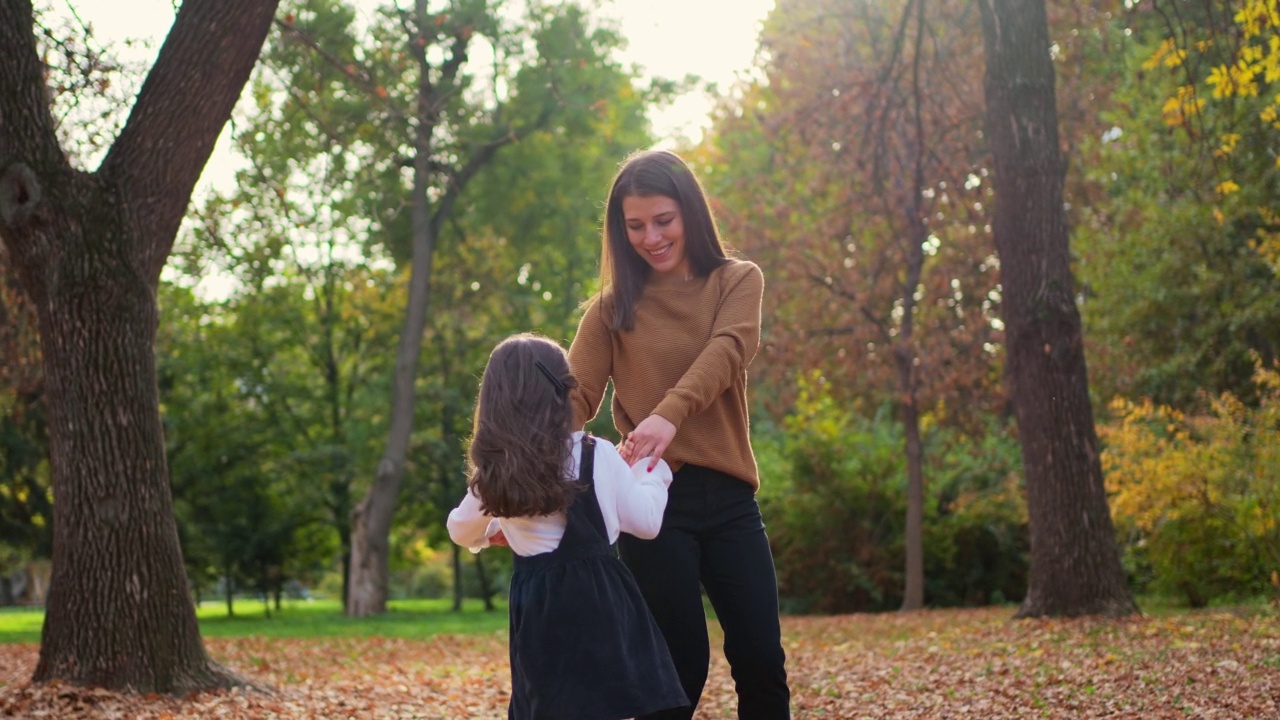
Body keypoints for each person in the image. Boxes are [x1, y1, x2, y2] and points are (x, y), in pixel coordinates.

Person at [567, 149, 791, 719]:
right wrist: (510, 457)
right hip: (651, 504)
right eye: (634, 225)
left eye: (663, 220)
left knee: (761, 659)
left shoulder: (736, 281)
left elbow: (730, 349)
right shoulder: (609, 311)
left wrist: (668, 413)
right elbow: (571, 402)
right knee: (676, 669)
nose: (650, 237)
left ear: (690, 211)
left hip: (732, 499)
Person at [447, 333, 689, 720]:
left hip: (538, 609)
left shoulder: (497, 471)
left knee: (552, 705)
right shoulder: (596, 453)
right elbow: (644, 523)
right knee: (605, 702)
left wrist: (493, 529)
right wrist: (653, 474)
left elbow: (460, 529)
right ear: (564, 392)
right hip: (599, 603)